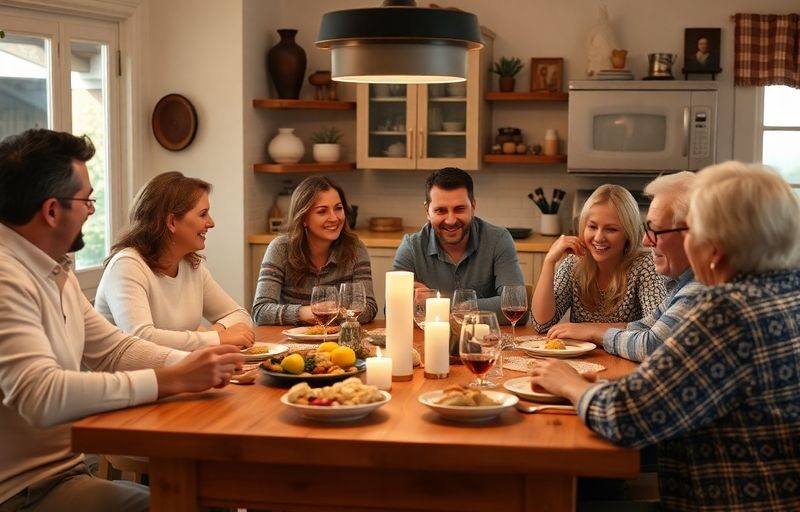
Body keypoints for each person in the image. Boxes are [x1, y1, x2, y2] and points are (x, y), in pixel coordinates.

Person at [531, 161, 800, 511]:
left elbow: (626, 418)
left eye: (661, 232)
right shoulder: (785, 292)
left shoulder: (724, 311)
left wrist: (569, 383)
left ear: (714, 244)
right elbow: (652, 345)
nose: (646, 241)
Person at [0, 129, 244, 512]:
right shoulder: (5, 276)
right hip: (22, 493)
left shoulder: (54, 272)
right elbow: (41, 395)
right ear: (51, 211)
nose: (92, 210)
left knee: (215, 502)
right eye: (86, 200)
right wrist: (171, 378)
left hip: (66, 473)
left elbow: (114, 349)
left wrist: (200, 366)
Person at [546, 172, 706, 362]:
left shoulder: (699, 290)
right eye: (648, 230)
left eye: (657, 230)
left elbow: (652, 346)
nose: (646, 241)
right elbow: (646, 326)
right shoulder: (681, 285)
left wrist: (592, 332)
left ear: (694, 234)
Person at [95, 172, 255, 351]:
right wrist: (216, 337)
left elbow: (239, 315)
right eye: (203, 214)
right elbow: (141, 339)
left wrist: (208, 336)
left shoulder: (191, 265)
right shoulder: (126, 266)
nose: (211, 223)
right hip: (130, 378)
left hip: (174, 372)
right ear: (171, 222)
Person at [392, 167, 526, 324]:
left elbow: (517, 308)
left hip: (486, 343)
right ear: (427, 211)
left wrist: (437, 304)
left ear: (473, 207)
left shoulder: (498, 240)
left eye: (459, 209)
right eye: (441, 210)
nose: (451, 220)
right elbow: (392, 313)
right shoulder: (411, 247)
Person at [532, 184, 665, 333]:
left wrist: (590, 330)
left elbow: (657, 328)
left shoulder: (644, 266)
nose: (599, 237)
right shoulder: (573, 263)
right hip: (580, 355)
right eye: (592, 227)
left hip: (623, 356)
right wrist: (549, 262)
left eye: (611, 229)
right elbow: (542, 325)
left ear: (628, 233)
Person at [252, 176, 377, 325]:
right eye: (322, 211)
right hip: (291, 344)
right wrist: (305, 312)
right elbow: (260, 312)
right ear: (303, 217)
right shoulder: (280, 249)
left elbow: (368, 308)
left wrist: (329, 312)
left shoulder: (355, 249)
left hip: (339, 343)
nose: (334, 218)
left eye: (338, 208)